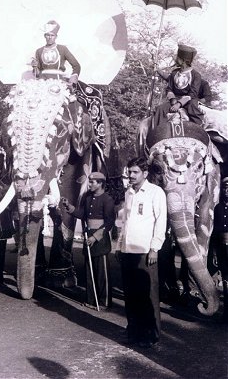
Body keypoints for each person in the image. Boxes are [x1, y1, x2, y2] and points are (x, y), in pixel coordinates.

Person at [116, 157, 167, 348]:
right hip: (128, 250)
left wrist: (155, 248)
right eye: (130, 172)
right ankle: (134, 333)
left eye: (135, 172)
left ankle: (150, 335)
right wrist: (120, 245)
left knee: (148, 295)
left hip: (146, 252)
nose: (131, 175)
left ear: (145, 174)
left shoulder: (156, 192)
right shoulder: (129, 193)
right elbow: (125, 223)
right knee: (130, 295)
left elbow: (161, 222)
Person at [62, 172, 115, 310]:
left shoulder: (107, 199)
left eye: (92, 182)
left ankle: (104, 302)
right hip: (88, 236)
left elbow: (109, 222)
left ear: (101, 183)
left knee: (102, 273)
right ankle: (91, 300)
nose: (89, 184)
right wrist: (69, 207)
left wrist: (95, 236)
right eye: (89, 181)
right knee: (89, 270)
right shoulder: (88, 198)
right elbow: (83, 214)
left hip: (100, 239)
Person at [153, 43, 204, 127]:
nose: (176, 59)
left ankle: (198, 130)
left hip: (189, 101)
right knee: (160, 109)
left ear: (184, 61)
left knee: (193, 109)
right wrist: (173, 100)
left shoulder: (196, 75)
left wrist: (179, 104)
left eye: (178, 58)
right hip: (174, 100)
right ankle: (157, 133)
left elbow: (193, 94)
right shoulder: (174, 73)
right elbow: (169, 88)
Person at [31, 20, 81, 88]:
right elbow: (37, 74)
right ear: (45, 36)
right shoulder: (39, 51)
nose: (50, 37)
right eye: (48, 35)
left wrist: (73, 78)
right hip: (42, 84)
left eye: (52, 35)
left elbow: (76, 66)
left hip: (59, 83)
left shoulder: (63, 49)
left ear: (56, 36)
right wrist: (34, 67)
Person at [211, 176, 228, 323]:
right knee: (226, 279)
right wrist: (215, 252)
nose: (227, 190)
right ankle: (226, 313)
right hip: (222, 248)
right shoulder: (218, 207)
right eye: (225, 188)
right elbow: (215, 232)